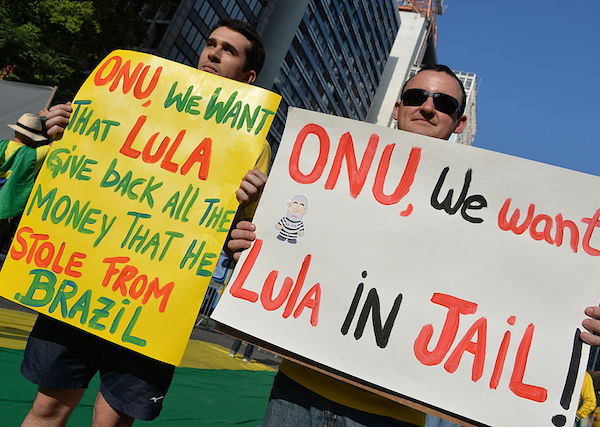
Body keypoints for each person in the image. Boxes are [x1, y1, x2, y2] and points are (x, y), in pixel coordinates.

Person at [227, 64, 600, 426]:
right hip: (296, 390)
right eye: (417, 96)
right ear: (398, 106)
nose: (427, 106)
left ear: (460, 123)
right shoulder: (331, 169)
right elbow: (280, 239)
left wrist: (578, 323)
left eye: (445, 104)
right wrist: (249, 227)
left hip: (393, 414)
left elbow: (530, 297)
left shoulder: (491, 211)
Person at [20, 19, 270, 427]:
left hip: (156, 301)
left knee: (112, 422)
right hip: (83, 277)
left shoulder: (255, 144)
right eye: (210, 43)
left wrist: (252, 204)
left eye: (229, 50)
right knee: (47, 408)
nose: (213, 52)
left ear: (248, 75)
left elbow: (238, 233)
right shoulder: (131, 104)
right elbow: (66, 175)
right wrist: (62, 136)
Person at [0, 113, 51, 259]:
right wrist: (46, 119)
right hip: (5, 212)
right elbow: (56, 144)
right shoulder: (34, 156)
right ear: (35, 137)